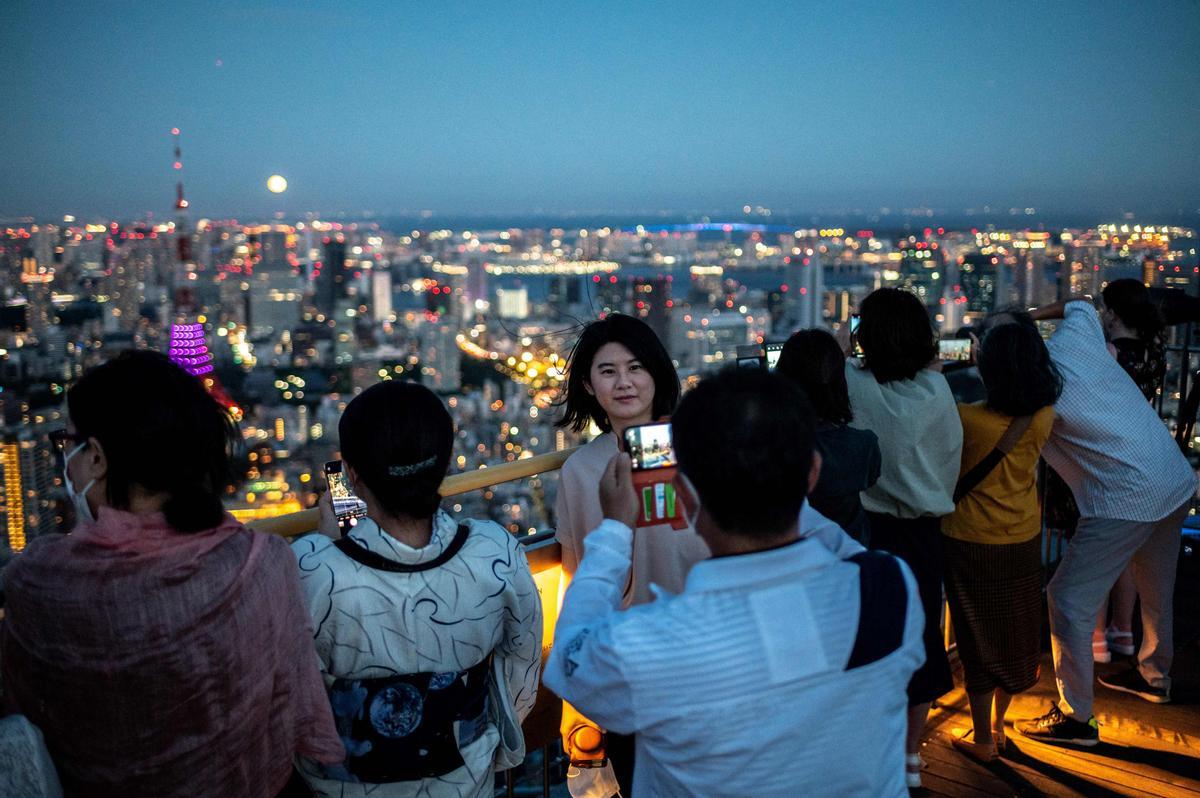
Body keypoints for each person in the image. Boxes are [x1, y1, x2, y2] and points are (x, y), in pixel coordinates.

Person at [543, 368, 925, 797]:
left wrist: (615, 529)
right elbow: (835, 548)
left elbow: (569, 657)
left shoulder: (656, 642)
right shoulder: (889, 589)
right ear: (812, 474)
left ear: (683, 494)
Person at [0, 351, 343, 797]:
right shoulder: (263, 564)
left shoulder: (40, 585)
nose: (67, 461)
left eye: (69, 443)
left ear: (99, 458)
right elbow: (289, 704)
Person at [291, 380, 542, 798]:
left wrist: (328, 548)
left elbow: (293, 693)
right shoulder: (494, 550)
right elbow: (522, 664)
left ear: (352, 474)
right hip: (468, 779)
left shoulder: (312, 568)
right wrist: (483, 746)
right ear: (444, 464)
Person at [1016, 296, 1195, 746]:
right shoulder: (1079, 338)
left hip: (1126, 497)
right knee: (1156, 589)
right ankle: (1156, 677)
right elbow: (1080, 301)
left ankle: (1076, 718)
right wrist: (1032, 314)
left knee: (1068, 598)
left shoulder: (1034, 391)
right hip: (1174, 479)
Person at [553, 314, 710, 789]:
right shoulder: (581, 470)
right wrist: (579, 710)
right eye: (607, 371)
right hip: (629, 666)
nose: (624, 382)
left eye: (636, 367)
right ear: (589, 385)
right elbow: (575, 576)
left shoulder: (702, 449)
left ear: (657, 373)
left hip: (702, 655)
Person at [840, 287, 961, 787]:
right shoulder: (937, 392)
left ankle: (873, 750)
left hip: (871, 534)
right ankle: (910, 757)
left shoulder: (854, 384)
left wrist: (849, 338)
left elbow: (842, 356)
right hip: (926, 535)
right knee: (923, 639)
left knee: (868, 643)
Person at [942, 324, 1061, 762]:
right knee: (1013, 632)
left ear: (988, 368)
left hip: (970, 539)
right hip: (1024, 536)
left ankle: (983, 741)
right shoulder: (1043, 413)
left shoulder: (967, 420)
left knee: (975, 637)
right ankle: (999, 728)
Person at [1090, 278, 1168, 663]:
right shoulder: (1154, 351)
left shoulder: (1110, 354)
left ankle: (1095, 637)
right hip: (1141, 455)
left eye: (1105, 310)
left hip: (1108, 456)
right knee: (1125, 553)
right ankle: (1122, 631)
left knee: (1095, 548)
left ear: (1114, 314)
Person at [776, 328, 881, 544]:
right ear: (840, 382)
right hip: (851, 552)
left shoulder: (774, 451)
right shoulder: (863, 445)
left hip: (795, 555)